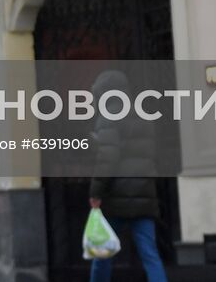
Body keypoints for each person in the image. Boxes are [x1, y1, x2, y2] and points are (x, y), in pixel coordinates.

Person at [87, 69, 168, 282]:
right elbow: (152, 156)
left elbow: (107, 158)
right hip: (143, 197)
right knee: (150, 256)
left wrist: (96, 192)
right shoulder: (143, 115)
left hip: (116, 199)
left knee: (103, 253)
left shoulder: (107, 118)